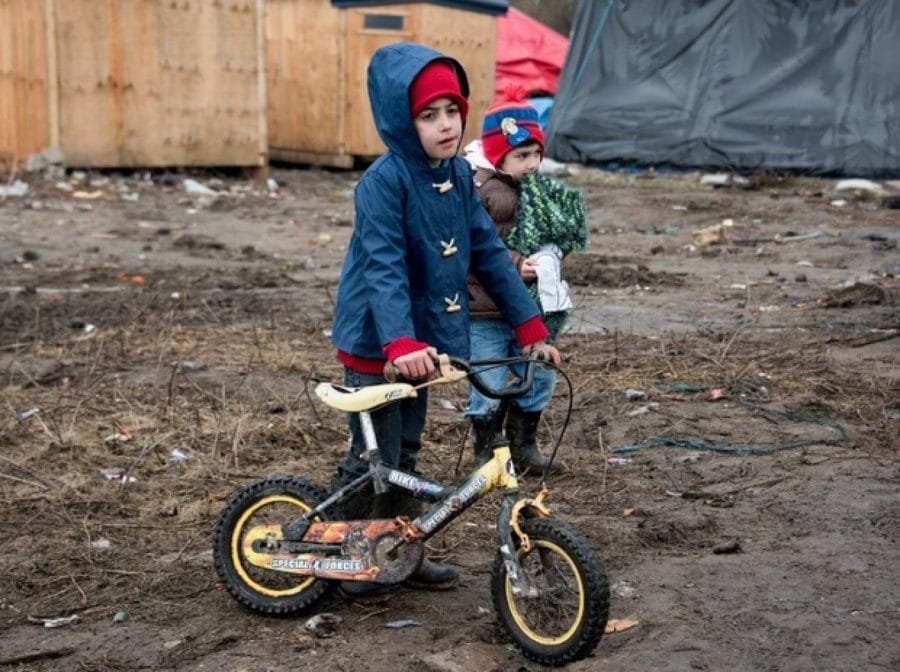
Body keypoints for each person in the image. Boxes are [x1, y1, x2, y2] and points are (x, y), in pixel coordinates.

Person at [328, 43, 560, 597]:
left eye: (452, 111)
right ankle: (343, 551)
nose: (446, 124)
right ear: (400, 121)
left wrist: (530, 327)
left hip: (422, 346)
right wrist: (399, 342)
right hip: (380, 342)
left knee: (406, 453)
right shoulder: (383, 182)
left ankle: (400, 550)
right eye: (428, 115)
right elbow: (383, 265)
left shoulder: (458, 175)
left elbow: (489, 256)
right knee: (374, 456)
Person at [466, 85, 588, 474]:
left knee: (538, 374)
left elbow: (547, 235)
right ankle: (486, 452)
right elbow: (472, 247)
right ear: (497, 154)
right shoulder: (480, 190)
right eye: (521, 156)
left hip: (528, 310)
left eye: (536, 153)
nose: (532, 163)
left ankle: (523, 446)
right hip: (484, 310)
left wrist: (557, 248)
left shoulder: (536, 192)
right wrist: (515, 263)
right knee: (487, 380)